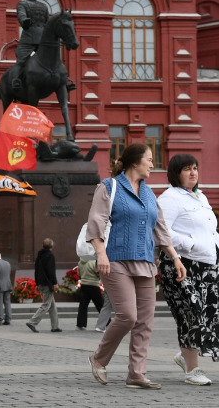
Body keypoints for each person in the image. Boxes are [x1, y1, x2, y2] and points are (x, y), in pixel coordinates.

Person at [86, 143, 186, 390]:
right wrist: (101, 254)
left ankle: (136, 374)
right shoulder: (109, 187)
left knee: (145, 321)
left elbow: (160, 228)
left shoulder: (149, 193)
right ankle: (99, 358)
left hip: (145, 262)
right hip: (115, 260)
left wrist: (175, 257)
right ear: (134, 163)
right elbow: (96, 221)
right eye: (149, 159)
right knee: (128, 316)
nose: (153, 164)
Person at [157, 153, 219, 386]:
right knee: (190, 313)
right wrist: (189, 243)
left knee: (209, 314)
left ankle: (185, 356)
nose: (193, 173)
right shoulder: (169, 198)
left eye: (195, 168)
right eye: (187, 169)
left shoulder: (200, 196)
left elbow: (210, 231)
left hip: (208, 264)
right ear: (175, 173)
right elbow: (161, 230)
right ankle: (192, 370)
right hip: (182, 264)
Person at [26, 238, 61, 333]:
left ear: (42, 246)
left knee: (52, 305)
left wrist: (37, 284)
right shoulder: (50, 256)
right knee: (46, 304)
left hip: (41, 283)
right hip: (48, 284)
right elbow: (51, 272)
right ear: (52, 246)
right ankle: (32, 322)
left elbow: (36, 271)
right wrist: (55, 283)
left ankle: (55, 326)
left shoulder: (39, 256)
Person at [75, 259, 104, 331]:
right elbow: (98, 272)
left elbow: (79, 273)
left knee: (83, 306)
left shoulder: (80, 262)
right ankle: (107, 322)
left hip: (84, 285)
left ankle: (81, 324)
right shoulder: (93, 262)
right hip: (94, 285)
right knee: (100, 305)